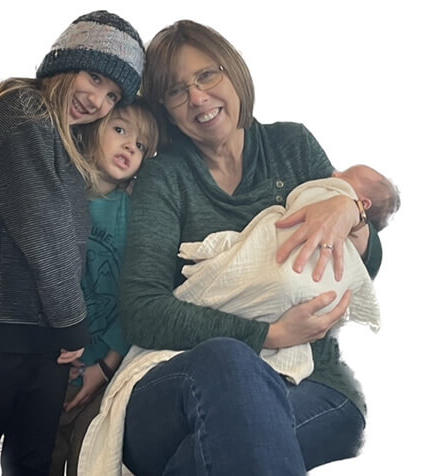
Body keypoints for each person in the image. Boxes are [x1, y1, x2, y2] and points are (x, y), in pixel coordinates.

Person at [78, 20, 384, 476]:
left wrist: (351, 213)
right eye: (178, 91)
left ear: (234, 72)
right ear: (165, 109)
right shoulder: (165, 178)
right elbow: (143, 308)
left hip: (314, 385)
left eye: (207, 75)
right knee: (230, 361)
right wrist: (268, 336)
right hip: (177, 382)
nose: (198, 98)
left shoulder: (292, 146)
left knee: (214, 450)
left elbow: (359, 267)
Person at [0, 10, 145, 476]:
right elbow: (45, 234)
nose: (98, 100)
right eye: (94, 78)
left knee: (32, 465)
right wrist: (75, 329)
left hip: (46, 337)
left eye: (113, 95)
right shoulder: (22, 111)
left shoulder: (66, 141)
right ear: (64, 60)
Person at [174, 165, 400, 384]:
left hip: (301, 309)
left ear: (364, 203)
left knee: (285, 284)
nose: (335, 172)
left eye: (347, 174)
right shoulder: (169, 174)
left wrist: (351, 210)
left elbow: (367, 261)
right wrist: (274, 334)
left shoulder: (327, 186)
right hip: (236, 350)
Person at [49, 98, 159, 476]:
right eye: (120, 130)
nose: (130, 145)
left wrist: (105, 367)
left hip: (103, 375)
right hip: (48, 367)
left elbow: (138, 298)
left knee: (90, 462)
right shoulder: (58, 195)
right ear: (93, 129)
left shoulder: (134, 214)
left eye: (141, 144)